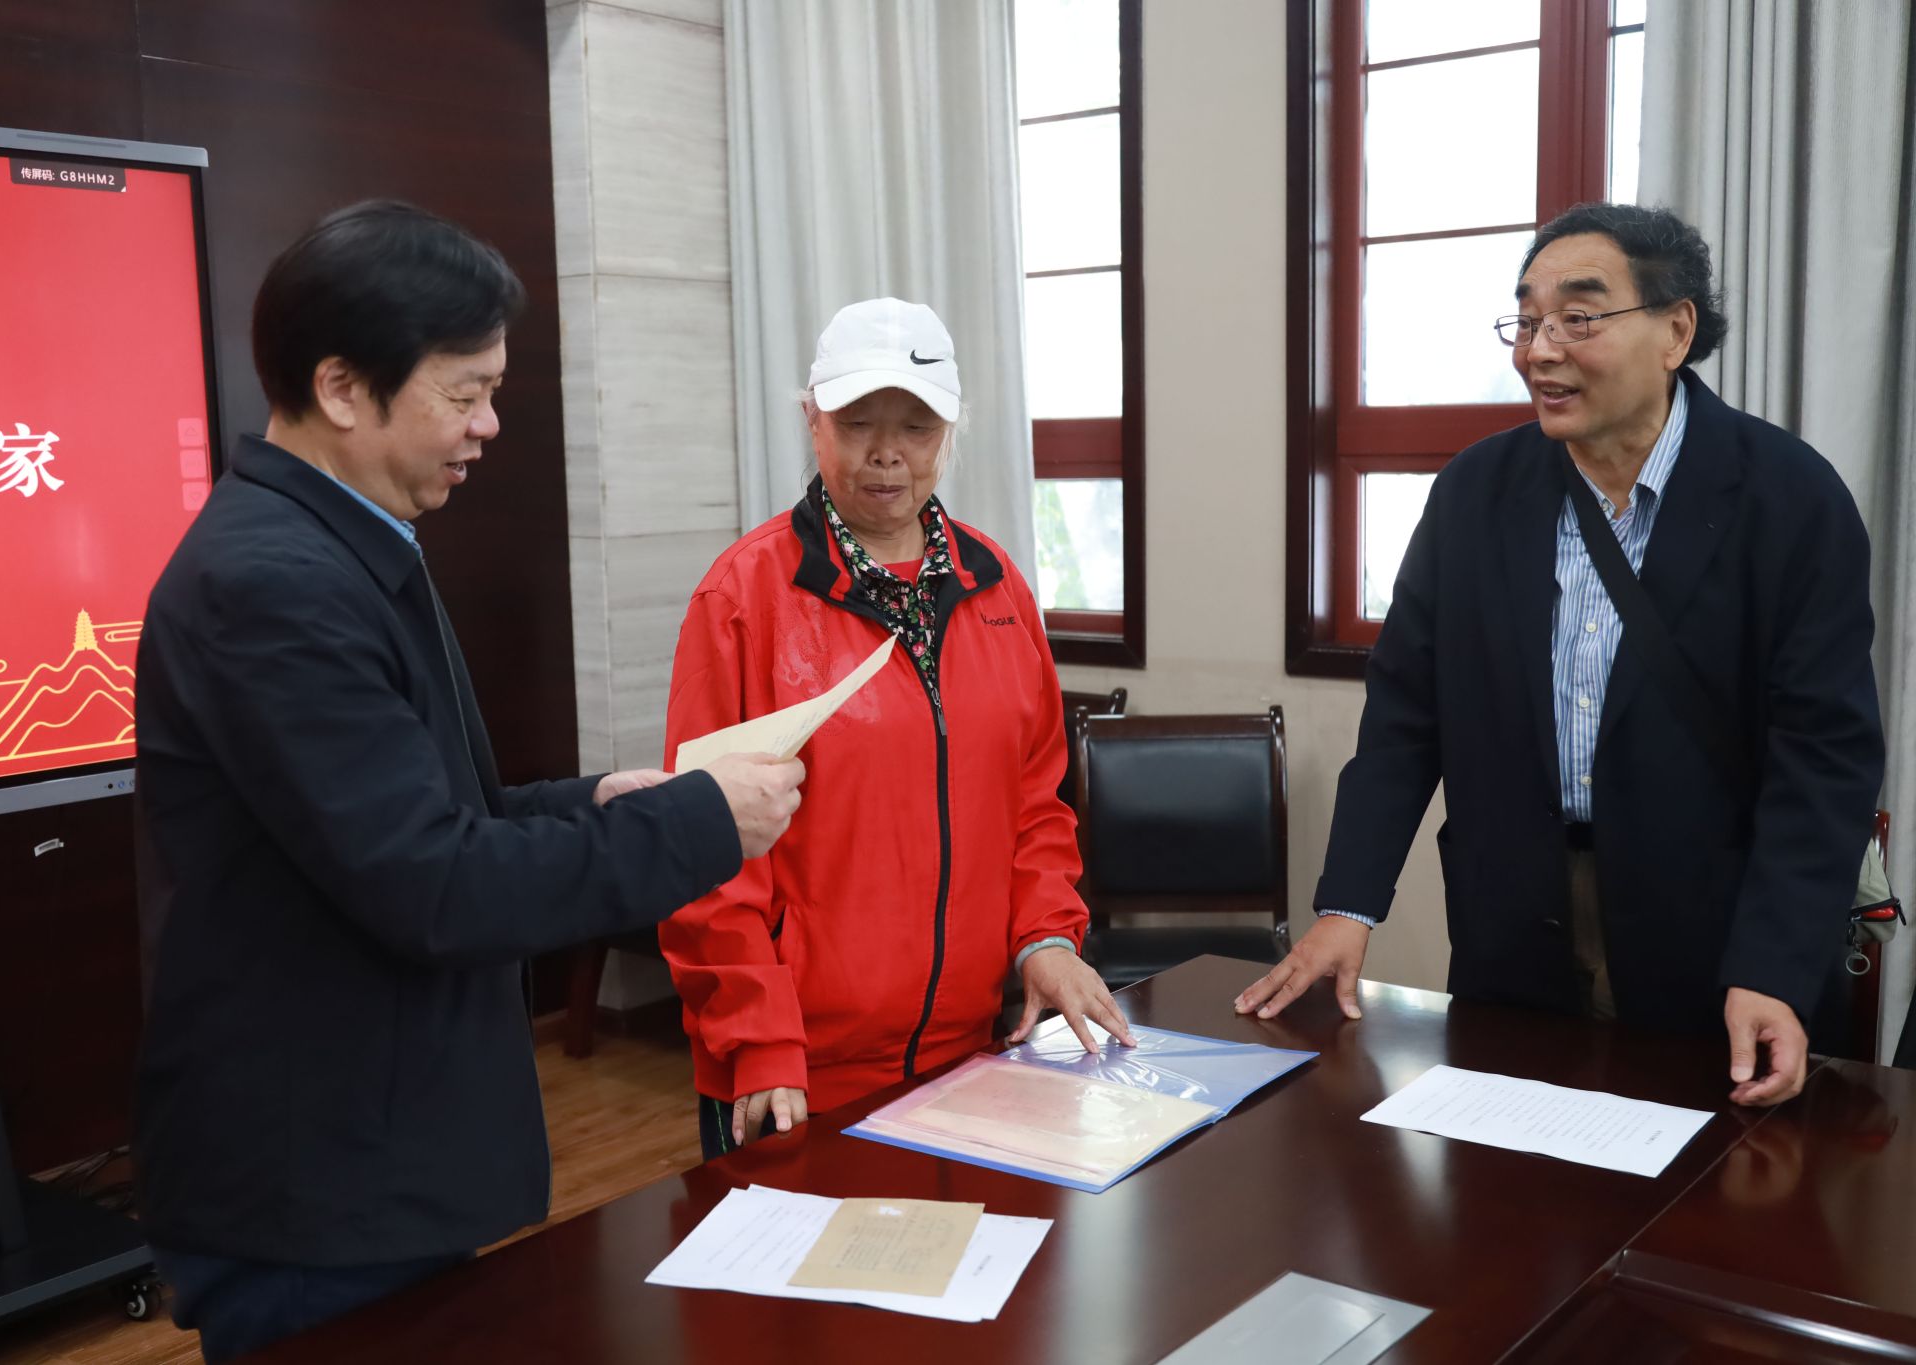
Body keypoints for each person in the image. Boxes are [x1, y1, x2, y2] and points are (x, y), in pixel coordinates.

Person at [131, 200, 804, 1362]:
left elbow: (424, 819)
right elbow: (434, 885)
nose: (488, 424)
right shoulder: (273, 583)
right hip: (316, 1183)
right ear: (343, 387)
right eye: (464, 393)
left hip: (366, 1154)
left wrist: (589, 804)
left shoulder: (343, 542)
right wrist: (700, 823)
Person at [1237, 203, 1884, 1108]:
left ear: (1676, 330)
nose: (1539, 350)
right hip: (1515, 925)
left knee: (1718, 1179)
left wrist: (1773, 965)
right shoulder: (1474, 493)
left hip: (1717, 933)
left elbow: (1825, 757)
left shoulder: (1789, 499)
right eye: (1527, 320)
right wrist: (1349, 904)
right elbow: (1404, 718)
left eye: (1578, 318)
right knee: (1506, 1175)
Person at [661, 297, 1133, 1158]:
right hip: (797, 1067)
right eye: (857, 423)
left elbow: (1035, 804)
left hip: (976, 1053)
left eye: (915, 427)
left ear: (951, 431)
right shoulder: (744, 599)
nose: (887, 453)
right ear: (812, 420)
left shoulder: (997, 589)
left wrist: (1046, 937)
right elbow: (703, 847)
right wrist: (760, 1036)